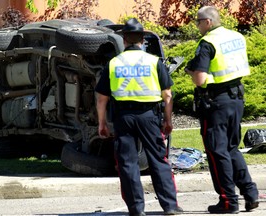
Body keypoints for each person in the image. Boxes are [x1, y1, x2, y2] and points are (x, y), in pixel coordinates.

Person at [95, 18, 183, 216]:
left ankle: (136, 209)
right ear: (142, 40)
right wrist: (168, 120)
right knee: (159, 159)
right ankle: (169, 205)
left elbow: (102, 98)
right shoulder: (153, 61)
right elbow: (167, 94)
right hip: (149, 117)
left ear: (124, 40)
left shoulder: (113, 63)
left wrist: (102, 123)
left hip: (123, 118)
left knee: (127, 163)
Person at [185, 6, 259, 214]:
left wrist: (191, 72)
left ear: (207, 22)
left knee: (217, 151)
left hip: (216, 101)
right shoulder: (236, 36)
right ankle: (250, 193)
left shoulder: (207, 42)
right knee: (232, 148)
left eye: (198, 21)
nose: (197, 25)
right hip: (237, 98)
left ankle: (228, 201)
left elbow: (200, 80)